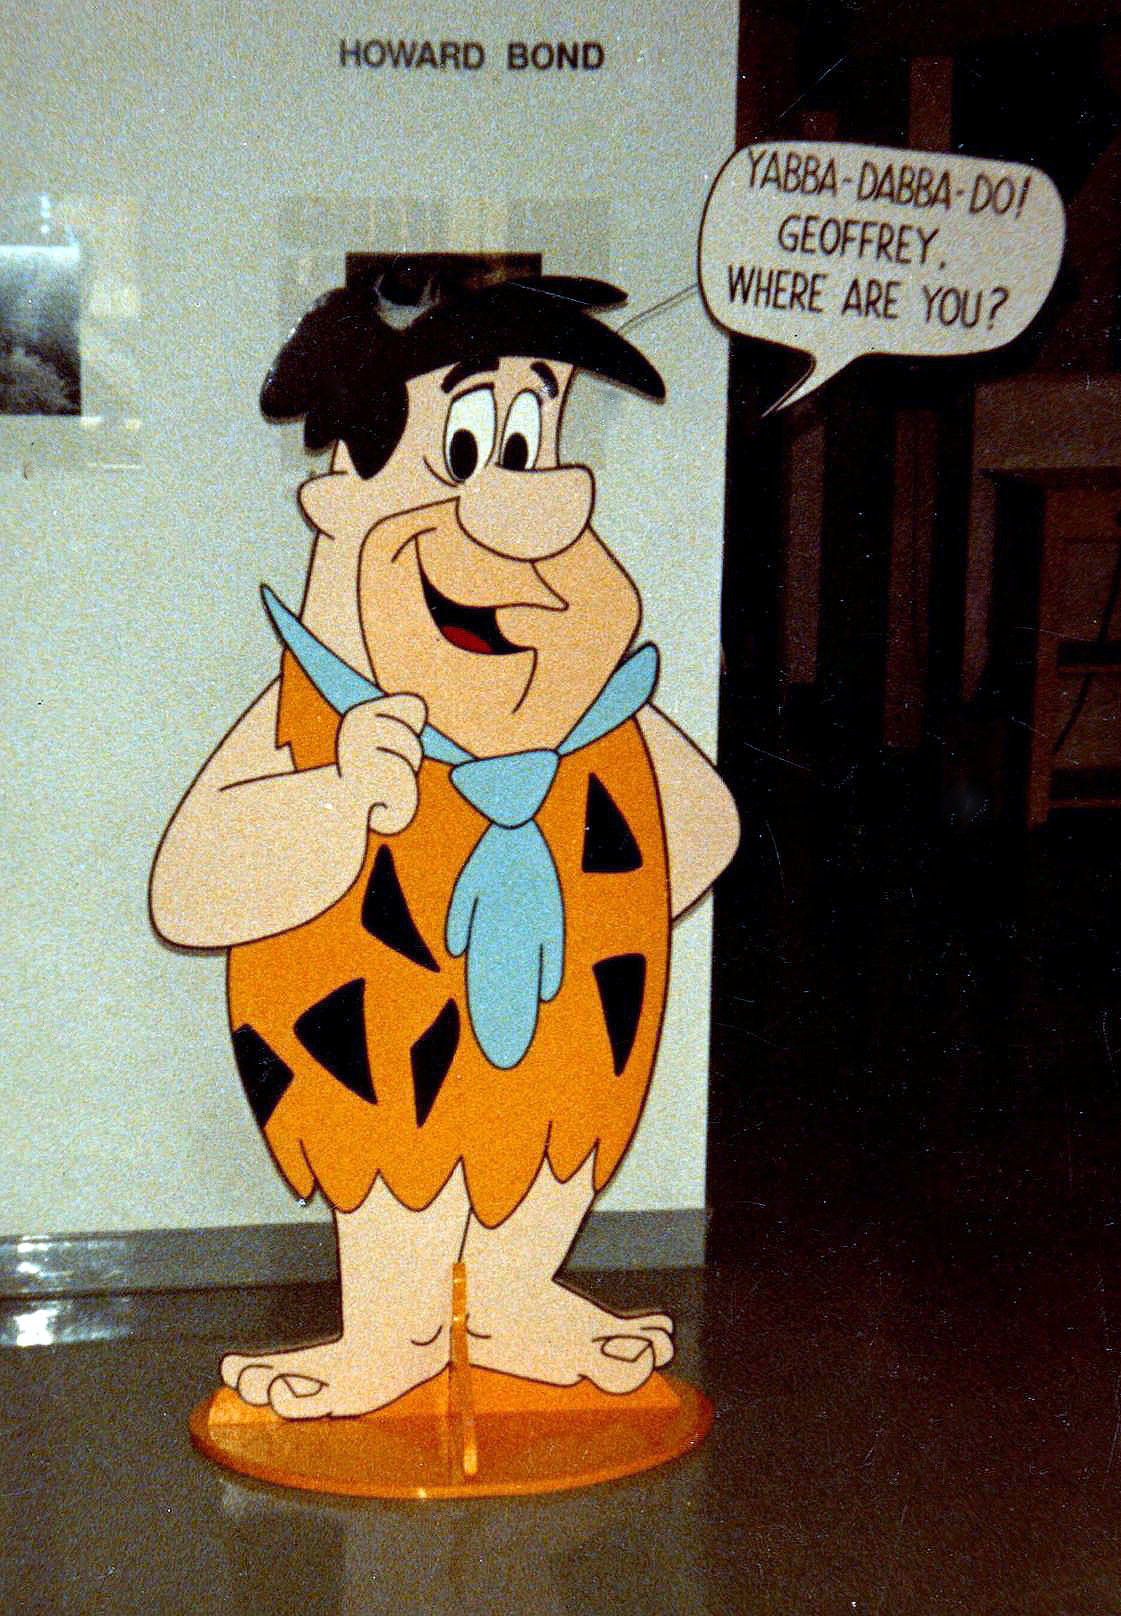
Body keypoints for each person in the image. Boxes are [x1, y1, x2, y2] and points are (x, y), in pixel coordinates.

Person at [150, 262, 738, 1418]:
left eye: (531, 439)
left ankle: (513, 1295)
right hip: (371, 1055)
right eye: (467, 449)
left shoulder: (593, 710)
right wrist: (332, 805)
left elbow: (704, 831)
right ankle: (394, 1326)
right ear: (340, 497)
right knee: (391, 1153)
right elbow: (192, 886)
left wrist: (588, 823)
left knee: (547, 1139)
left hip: (565, 1051)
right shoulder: (314, 719)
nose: (534, 506)